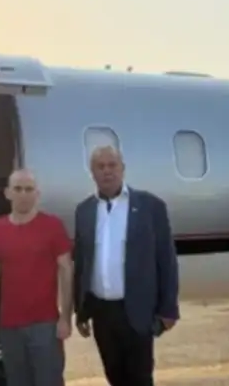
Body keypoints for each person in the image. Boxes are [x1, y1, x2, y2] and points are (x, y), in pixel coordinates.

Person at [73, 145, 179, 386]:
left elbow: (166, 260)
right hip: (101, 313)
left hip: (136, 310)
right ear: (92, 172)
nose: (107, 171)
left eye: (112, 165)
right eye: (100, 166)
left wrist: (169, 309)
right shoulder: (84, 211)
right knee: (115, 377)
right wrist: (81, 310)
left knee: (140, 379)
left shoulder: (151, 206)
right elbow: (82, 262)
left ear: (123, 169)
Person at [0, 169, 73, 386]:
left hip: (45, 325)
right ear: (7, 193)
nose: (23, 194)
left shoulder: (53, 226)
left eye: (29, 189)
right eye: (18, 189)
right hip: (9, 326)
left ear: (37, 194)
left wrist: (65, 317)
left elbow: (66, 270)